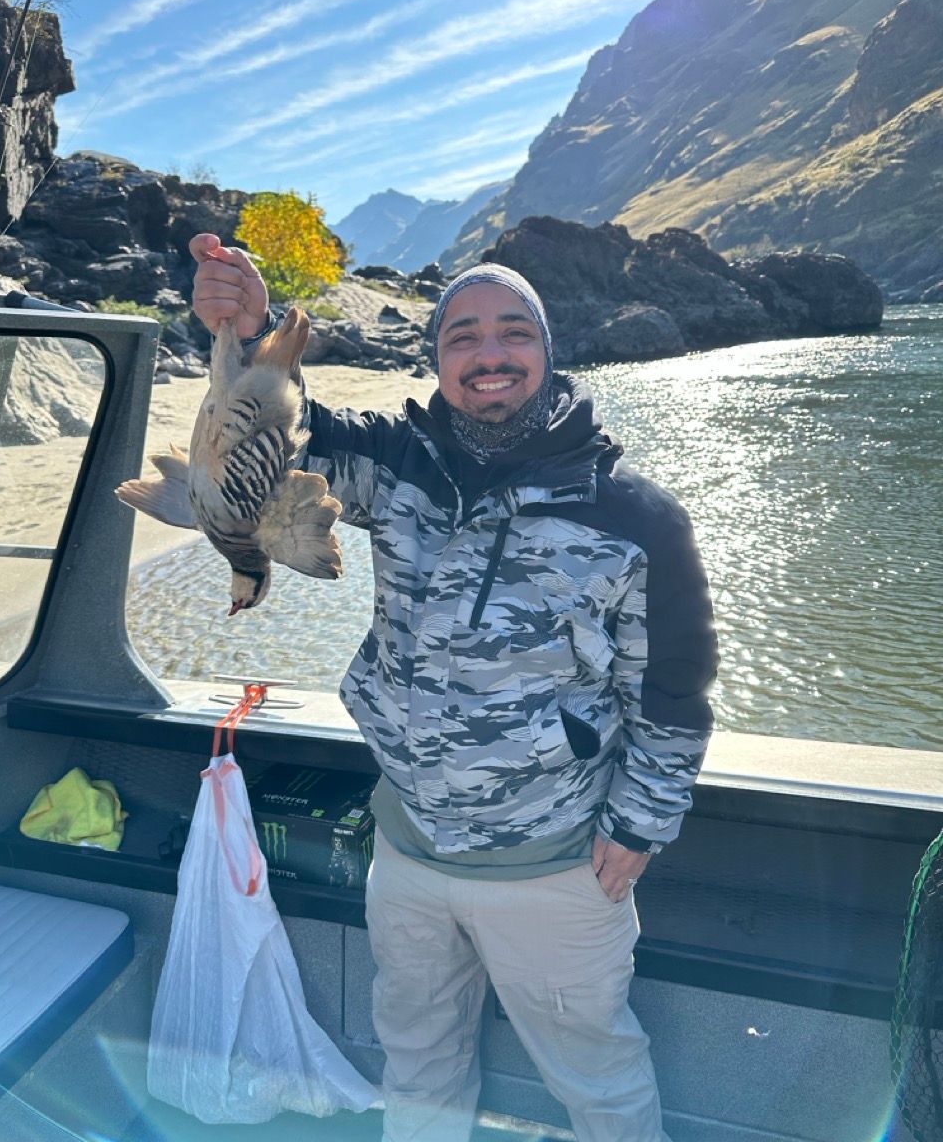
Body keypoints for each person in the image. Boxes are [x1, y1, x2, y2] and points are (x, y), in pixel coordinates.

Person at [191, 233, 718, 1142]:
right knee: (418, 1063)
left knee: (597, 1074)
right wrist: (250, 326)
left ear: (549, 353)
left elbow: (673, 690)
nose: (490, 354)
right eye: (462, 337)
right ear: (435, 362)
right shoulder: (394, 462)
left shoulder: (638, 517)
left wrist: (640, 826)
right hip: (406, 855)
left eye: (514, 332)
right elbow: (283, 433)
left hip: (554, 867)